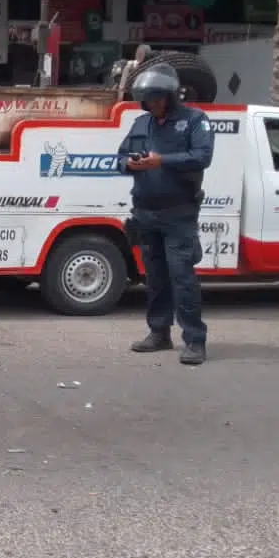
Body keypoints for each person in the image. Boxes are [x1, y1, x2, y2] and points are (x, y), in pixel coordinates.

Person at [117, 64, 215, 365]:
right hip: (146, 214)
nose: (153, 104)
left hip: (179, 214)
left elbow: (202, 157)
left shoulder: (195, 120)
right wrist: (128, 164)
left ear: (171, 96)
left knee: (182, 277)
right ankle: (159, 332)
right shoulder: (141, 123)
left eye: (158, 99)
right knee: (156, 278)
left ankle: (195, 341)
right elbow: (120, 156)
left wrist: (162, 160)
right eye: (148, 100)